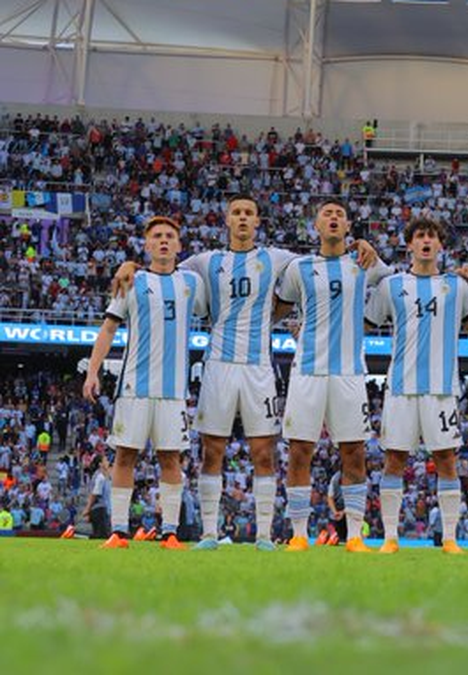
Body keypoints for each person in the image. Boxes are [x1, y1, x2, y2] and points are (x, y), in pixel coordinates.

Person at [110, 195, 379, 552]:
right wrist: (129, 263)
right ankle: (209, 534)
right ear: (227, 220)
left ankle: (265, 535)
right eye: (236, 212)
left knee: (263, 452)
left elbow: (327, 255)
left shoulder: (278, 259)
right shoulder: (207, 262)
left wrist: (359, 244)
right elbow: (161, 265)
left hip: (259, 368)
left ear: (257, 222)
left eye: (248, 213)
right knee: (212, 452)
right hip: (218, 365)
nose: (242, 218)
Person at [364, 217, 468, 555]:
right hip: (400, 388)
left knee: (447, 461)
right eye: (420, 236)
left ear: (440, 245)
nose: (425, 241)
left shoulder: (457, 286)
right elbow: (364, 323)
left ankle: (450, 539)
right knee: (394, 460)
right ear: (409, 244)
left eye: (431, 236)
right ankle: (390, 538)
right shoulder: (392, 286)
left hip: (442, 390)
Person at [83, 216, 208, 550]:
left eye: (170, 236)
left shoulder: (192, 283)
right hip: (133, 388)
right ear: (148, 244)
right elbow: (109, 328)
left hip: (174, 392)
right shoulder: (132, 280)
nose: (164, 241)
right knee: (125, 457)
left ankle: (169, 533)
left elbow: (217, 312)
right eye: (157, 236)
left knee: (171, 460)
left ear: (179, 245)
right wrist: (92, 372)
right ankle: (119, 532)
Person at [275, 199, 392, 554]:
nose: (334, 218)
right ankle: (298, 534)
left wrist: (369, 248)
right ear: (316, 226)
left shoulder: (364, 263)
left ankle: (355, 536)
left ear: (348, 226)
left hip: (349, 373)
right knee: (299, 452)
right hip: (308, 369)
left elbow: (398, 285)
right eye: (327, 213)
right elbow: (278, 307)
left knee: (354, 453)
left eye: (340, 214)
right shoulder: (300, 268)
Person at [84, 454, 112, 540]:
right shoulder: (100, 477)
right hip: (99, 510)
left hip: (103, 510)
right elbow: (94, 494)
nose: (108, 462)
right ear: (100, 464)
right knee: (102, 537)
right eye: (106, 460)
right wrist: (87, 509)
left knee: (101, 536)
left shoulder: (105, 477)